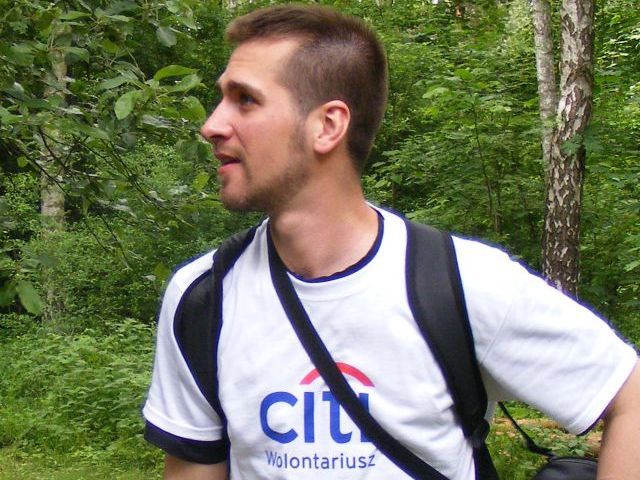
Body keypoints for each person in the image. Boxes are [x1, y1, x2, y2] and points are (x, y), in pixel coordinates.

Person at [142, 5, 640, 479]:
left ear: (327, 126)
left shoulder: (461, 283)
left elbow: (630, 396)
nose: (212, 125)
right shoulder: (203, 297)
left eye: (245, 100)